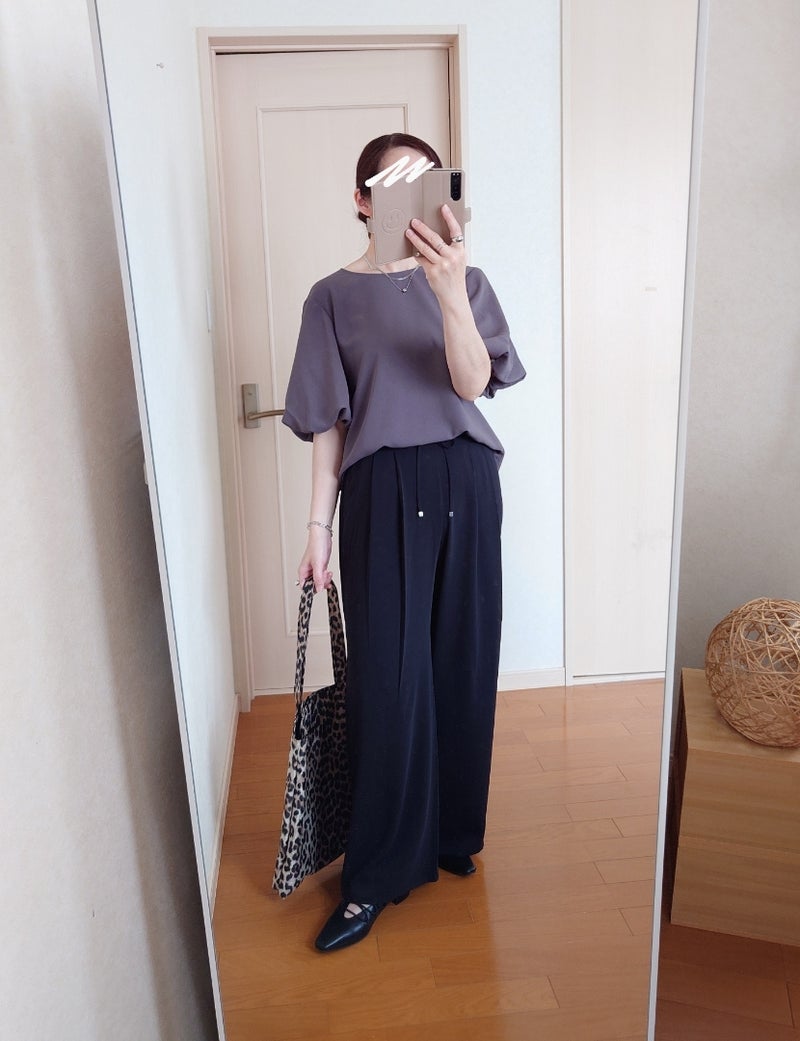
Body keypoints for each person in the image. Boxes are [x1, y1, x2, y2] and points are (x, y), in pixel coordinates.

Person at [282, 132, 525, 952]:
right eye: (393, 185)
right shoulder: (330, 298)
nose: (412, 198)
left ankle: (451, 830)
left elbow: (472, 382)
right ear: (362, 200)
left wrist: (449, 291)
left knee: (463, 660)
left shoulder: (467, 280)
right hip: (381, 489)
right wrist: (317, 529)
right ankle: (375, 875)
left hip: (466, 478)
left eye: (427, 182)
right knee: (388, 681)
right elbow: (327, 425)